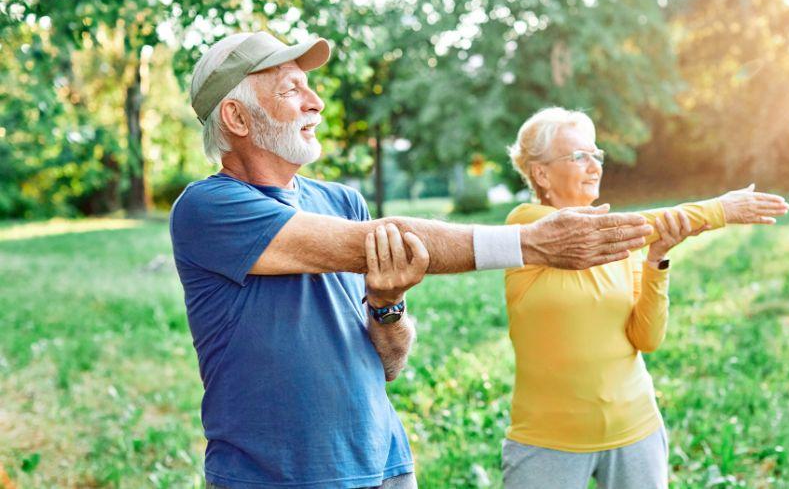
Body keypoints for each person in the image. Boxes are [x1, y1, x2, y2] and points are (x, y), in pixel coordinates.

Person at [170, 32, 658, 489]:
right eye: (290, 90)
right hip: (277, 477)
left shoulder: (342, 202)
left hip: (385, 466)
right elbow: (380, 241)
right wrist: (529, 243)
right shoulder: (208, 208)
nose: (315, 102)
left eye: (309, 87)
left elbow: (389, 364)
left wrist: (387, 304)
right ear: (236, 118)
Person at [500, 107, 789, 488]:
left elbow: (647, 339)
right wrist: (718, 210)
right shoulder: (525, 226)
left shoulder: (623, 243)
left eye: (596, 155)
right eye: (579, 156)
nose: (595, 166)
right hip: (548, 442)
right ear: (541, 173)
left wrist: (656, 261)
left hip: (635, 429)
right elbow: (598, 232)